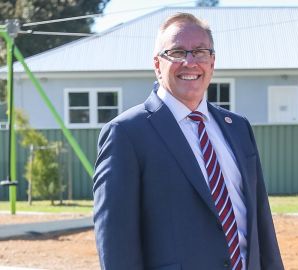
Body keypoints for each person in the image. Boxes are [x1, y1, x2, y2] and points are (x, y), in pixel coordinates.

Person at [92, 12, 284, 270]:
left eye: (200, 52)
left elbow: (261, 224)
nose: (190, 62)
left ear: (212, 62)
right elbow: (116, 243)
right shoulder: (126, 134)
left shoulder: (238, 128)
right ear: (157, 65)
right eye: (177, 52)